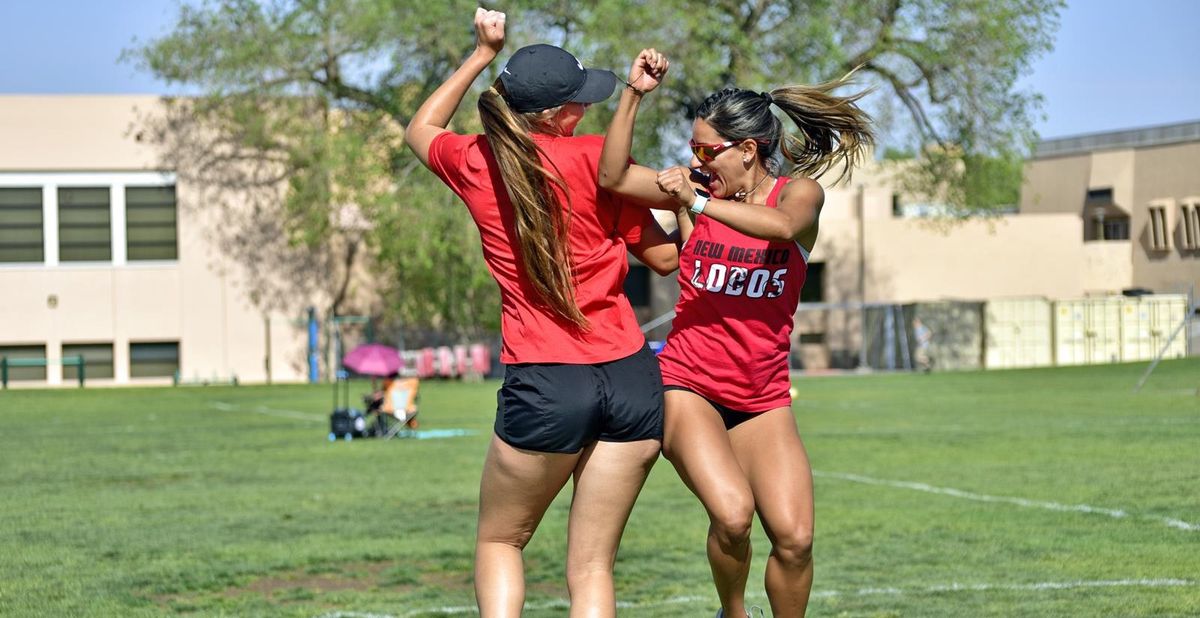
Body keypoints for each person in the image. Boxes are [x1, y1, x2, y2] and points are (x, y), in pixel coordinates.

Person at [403, 9, 677, 617]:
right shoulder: (600, 160)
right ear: (558, 115)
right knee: (592, 567)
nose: (586, 107)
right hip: (631, 378)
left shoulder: (477, 161)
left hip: (547, 381)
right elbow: (665, 260)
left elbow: (421, 127)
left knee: (501, 541)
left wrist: (481, 53)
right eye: (579, 99)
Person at [599, 49, 874, 617]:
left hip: (762, 397)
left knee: (795, 540)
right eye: (692, 149)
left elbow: (783, 228)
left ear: (748, 150)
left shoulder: (797, 194)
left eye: (707, 151)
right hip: (688, 385)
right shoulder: (695, 189)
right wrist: (634, 94)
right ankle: (734, 612)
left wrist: (696, 200)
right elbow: (614, 176)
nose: (695, 162)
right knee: (731, 515)